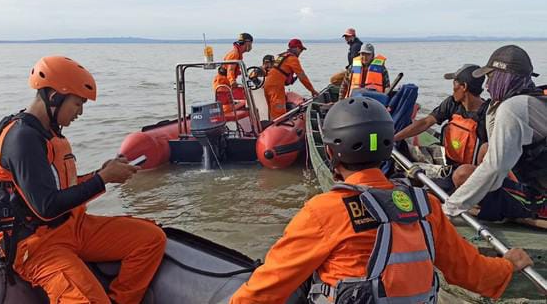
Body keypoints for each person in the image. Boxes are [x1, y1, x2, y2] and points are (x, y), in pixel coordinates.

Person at [229, 97, 532, 303]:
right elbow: (472, 272)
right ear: (388, 149)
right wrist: (508, 265)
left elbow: (266, 287)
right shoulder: (425, 204)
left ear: (333, 153)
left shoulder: (325, 211)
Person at [0, 56, 166, 303]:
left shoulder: (48, 134)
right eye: (78, 103)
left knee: (150, 239)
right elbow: (46, 207)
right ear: (54, 97)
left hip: (74, 226)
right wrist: (103, 179)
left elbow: (64, 189)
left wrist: (102, 174)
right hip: (38, 246)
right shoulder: (23, 139)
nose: (80, 113)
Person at [444, 45, 547, 222]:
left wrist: (449, 208)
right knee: (485, 149)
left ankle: (526, 213)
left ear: (504, 77)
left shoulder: (513, 108)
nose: (486, 85)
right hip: (538, 185)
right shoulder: (532, 99)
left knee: (463, 175)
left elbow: (494, 168)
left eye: (490, 77)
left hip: (541, 199)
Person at [393, 64, 489, 180]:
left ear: (464, 86)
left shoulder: (487, 115)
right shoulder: (453, 103)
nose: (453, 90)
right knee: (403, 151)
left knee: (406, 171)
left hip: (465, 172)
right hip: (447, 158)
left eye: (454, 84)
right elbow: (426, 122)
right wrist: (395, 137)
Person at [264, 38, 318, 120]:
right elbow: (302, 77)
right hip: (276, 87)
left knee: (272, 110)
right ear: (297, 48)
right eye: (301, 50)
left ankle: (270, 126)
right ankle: (278, 128)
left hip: (268, 85)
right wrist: (312, 90)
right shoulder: (292, 59)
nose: (301, 52)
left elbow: (280, 72)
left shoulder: (282, 56)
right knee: (279, 112)